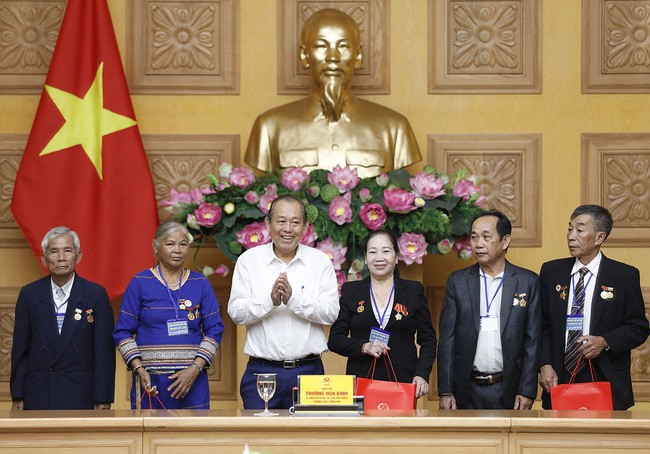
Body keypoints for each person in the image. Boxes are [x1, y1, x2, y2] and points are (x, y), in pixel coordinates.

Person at [244, 8, 421, 178]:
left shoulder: (395, 128)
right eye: (321, 46)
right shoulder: (269, 128)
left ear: (358, 56)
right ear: (304, 56)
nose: (333, 57)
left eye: (343, 46)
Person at [228, 194, 339, 409]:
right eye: (281, 221)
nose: (288, 228)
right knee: (261, 441)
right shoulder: (249, 261)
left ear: (306, 226)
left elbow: (331, 313)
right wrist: (269, 301)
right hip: (261, 372)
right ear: (268, 224)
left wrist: (294, 300)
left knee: (307, 441)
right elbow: (236, 312)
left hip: (309, 373)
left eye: (295, 222)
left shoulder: (320, 262)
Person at [538, 204, 649, 410]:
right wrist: (544, 365)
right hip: (559, 376)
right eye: (569, 229)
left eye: (579, 230)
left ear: (599, 237)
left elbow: (638, 327)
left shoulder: (624, 275)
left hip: (604, 375)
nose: (571, 236)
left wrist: (605, 341)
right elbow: (541, 325)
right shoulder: (552, 271)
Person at [113, 221, 224, 409]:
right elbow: (122, 332)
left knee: (191, 435)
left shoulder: (200, 282)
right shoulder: (140, 282)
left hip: (193, 382)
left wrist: (194, 369)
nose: (177, 250)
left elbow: (215, 329)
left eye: (183, 244)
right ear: (156, 247)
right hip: (151, 382)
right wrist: (139, 369)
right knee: (150, 436)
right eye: (170, 244)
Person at [437, 210, 541, 410]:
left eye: (486, 237)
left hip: (509, 387)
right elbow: (447, 341)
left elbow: (532, 341)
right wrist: (446, 390)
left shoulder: (528, 282)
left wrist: (527, 390)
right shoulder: (457, 282)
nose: (478, 244)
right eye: (474, 237)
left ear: (505, 241)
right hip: (466, 389)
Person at [10, 226, 115, 410]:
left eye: (67, 250)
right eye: (54, 251)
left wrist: (103, 398)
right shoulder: (29, 294)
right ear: (44, 258)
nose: (61, 258)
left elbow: (104, 353)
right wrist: (18, 394)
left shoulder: (95, 294)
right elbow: (20, 350)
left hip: (81, 393)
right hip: (39, 392)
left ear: (78, 255)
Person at [328, 230, 437, 398]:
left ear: (396, 256)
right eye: (373, 252)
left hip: (403, 383)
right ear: (365, 257)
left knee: (400, 424)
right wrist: (364, 347)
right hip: (362, 382)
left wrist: (421, 374)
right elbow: (335, 340)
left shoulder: (413, 291)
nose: (379, 257)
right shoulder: (352, 291)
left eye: (386, 251)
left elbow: (428, 340)